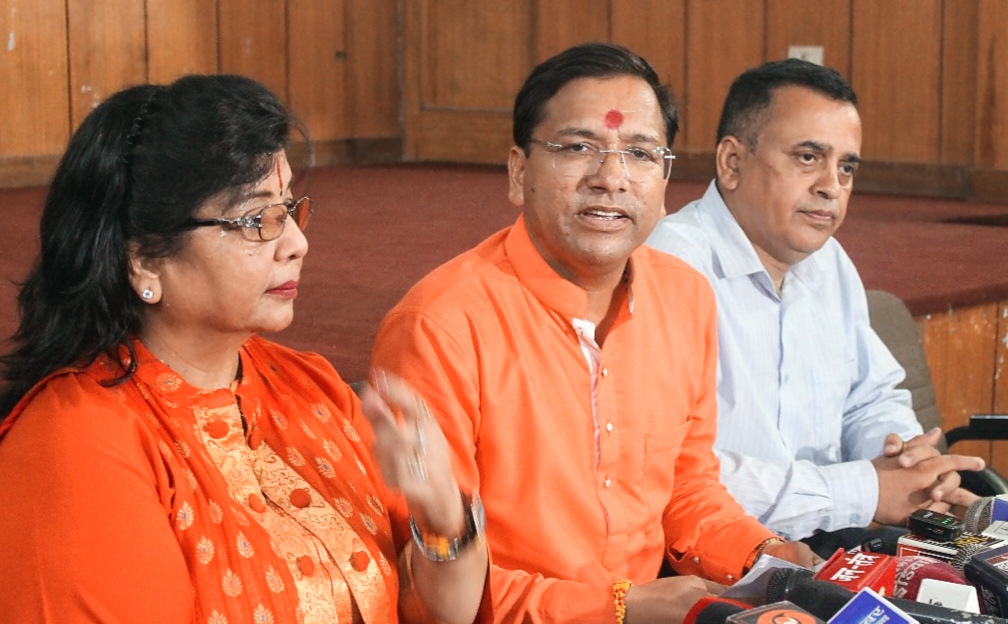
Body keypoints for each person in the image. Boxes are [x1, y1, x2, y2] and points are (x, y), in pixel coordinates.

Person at [0, 74, 488, 624]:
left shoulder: (313, 391)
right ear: (145, 260)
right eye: (257, 220)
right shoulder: (77, 443)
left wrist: (444, 520)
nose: (296, 243)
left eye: (289, 209)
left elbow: (435, 612)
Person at [371, 43, 818, 624]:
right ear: (518, 172)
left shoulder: (685, 297)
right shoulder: (440, 327)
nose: (611, 178)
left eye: (640, 153)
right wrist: (621, 607)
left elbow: (686, 489)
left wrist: (763, 554)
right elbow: (426, 582)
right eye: (578, 147)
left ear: (664, 180)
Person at [645, 58, 985, 556]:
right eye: (808, 157)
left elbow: (870, 399)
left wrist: (908, 463)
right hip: (715, 555)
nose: (832, 186)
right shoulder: (668, 267)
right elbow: (670, 474)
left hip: (835, 534)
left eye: (846, 167)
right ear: (732, 163)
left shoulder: (829, 261)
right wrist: (863, 490)